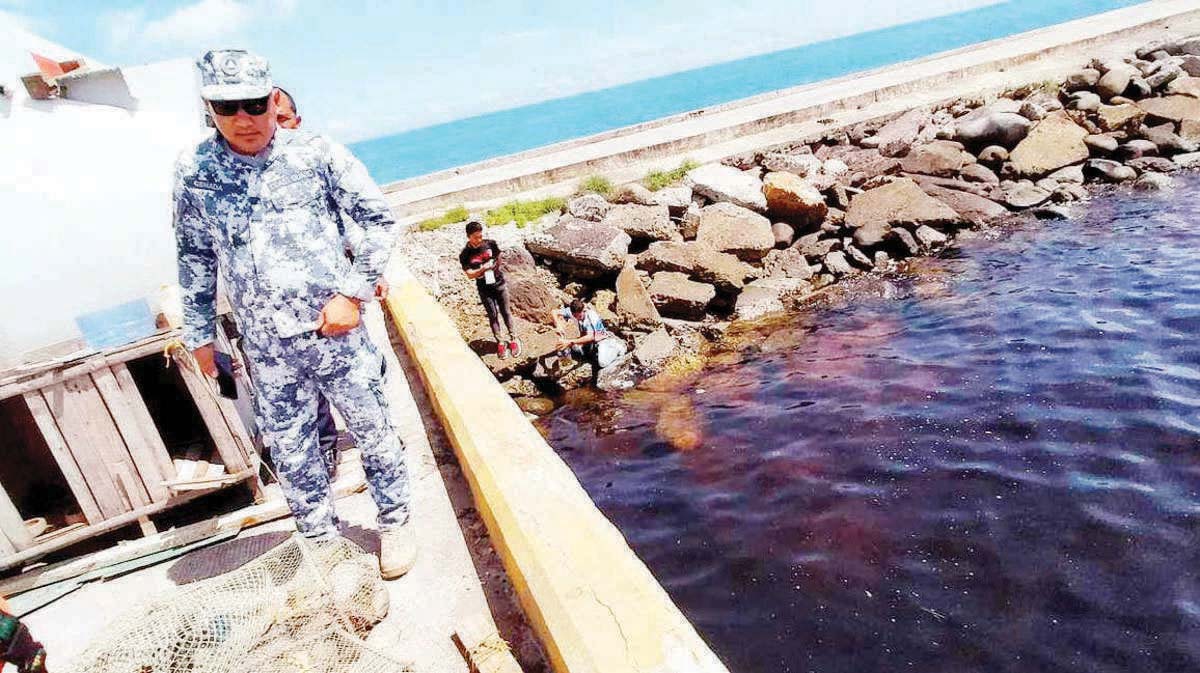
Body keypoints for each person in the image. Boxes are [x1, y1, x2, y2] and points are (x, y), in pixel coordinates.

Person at [173, 49, 414, 578]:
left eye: (256, 104)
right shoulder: (195, 173)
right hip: (265, 346)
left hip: (335, 333)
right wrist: (199, 334)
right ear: (208, 108)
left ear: (270, 98)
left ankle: (394, 522)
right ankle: (321, 543)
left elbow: (377, 220)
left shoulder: (316, 153)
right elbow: (194, 255)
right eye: (228, 107)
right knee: (292, 451)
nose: (245, 118)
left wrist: (352, 294)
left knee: (373, 432)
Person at [459, 221, 521, 359]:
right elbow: (469, 274)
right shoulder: (465, 254)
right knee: (493, 315)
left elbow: (498, 256)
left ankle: (514, 339)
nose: (479, 240)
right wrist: (482, 270)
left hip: (499, 283)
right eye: (476, 237)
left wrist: (494, 266)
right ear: (469, 236)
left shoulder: (490, 244)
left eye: (480, 236)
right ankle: (500, 341)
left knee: (506, 312)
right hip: (484, 287)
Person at [552, 298, 626, 386]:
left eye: (579, 316)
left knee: (603, 363)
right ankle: (565, 366)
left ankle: (617, 348)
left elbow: (591, 336)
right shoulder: (573, 311)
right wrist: (558, 325)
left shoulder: (590, 316)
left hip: (602, 340)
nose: (577, 318)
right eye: (575, 316)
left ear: (583, 310)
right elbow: (554, 312)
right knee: (562, 343)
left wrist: (570, 342)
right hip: (588, 344)